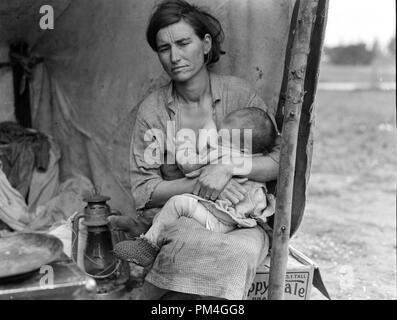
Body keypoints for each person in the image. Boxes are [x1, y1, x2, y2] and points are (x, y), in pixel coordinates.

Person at [109, 0, 281, 299]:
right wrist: (199, 185)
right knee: (185, 248)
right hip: (187, 216)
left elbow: (281, 161)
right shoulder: (154, 111)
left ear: (205, 44)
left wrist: (228, 168)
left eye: (183, 42)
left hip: (244, 221)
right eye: (164, 48)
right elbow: (144, 190)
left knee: (237, 254)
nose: (175, 56)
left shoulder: (239, 96)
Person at [113, 107, 277, 267]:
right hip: (234, 217)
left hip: (221, 219)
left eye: (221, 138)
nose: (215, 141)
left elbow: (189, 165)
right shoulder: (248, 158)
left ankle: (147, 247)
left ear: (242, 148)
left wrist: (185, 141)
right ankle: (145, 231)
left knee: (178, 204)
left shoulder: (225, 154)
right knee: (173, 213)